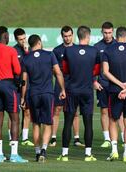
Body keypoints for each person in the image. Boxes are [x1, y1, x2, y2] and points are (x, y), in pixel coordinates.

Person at [57, 26, 100, 162]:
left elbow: (65, 70)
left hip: (72, 90)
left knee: (68, 122)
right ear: (88, 36)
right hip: (87, 90)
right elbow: (96, 70)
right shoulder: (94, 51)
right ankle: (88, 154)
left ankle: (64, 155)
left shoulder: (68, 51)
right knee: (88, 123)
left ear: (77, 36)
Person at [21, 34, 66, 162]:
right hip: (47, 93)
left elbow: (23, 81)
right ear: (39, 42)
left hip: (33, 94)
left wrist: (22, 97)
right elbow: (58, 73)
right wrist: (62, 89)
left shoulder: (26, 58)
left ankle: (36, 152)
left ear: (30, 45)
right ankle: (44, 150)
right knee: (47, 123)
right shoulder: (50, 55)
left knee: (35, 124)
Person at [0, 26, 28, 163]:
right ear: (5, 35)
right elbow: (17, 70)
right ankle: (14, 155)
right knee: (15, 118)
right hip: (8, 85)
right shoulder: (11, 50)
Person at [103, 26, 126, 162]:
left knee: (113, 120)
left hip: (114, 90)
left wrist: (120, 86)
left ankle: (114, 151)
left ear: (116, 35)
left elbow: (105, 72)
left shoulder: (108, 50)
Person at [94, 21, 126, 148]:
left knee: (120, 112)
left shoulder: (119, 45)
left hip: (117, 85)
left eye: (110, 32)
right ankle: (107, 139)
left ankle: (123, 137)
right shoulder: (96, 47)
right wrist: (94, 81)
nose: (107, 35)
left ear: (113, 32)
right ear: (102, 32)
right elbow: (93, 66)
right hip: (102, 83)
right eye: (105, 33)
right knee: (105, 111)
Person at [50, 26, 84, 147]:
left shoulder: (77, 49)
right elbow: (53, 68)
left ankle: (76, 138)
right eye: (65, 36)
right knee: (57, 109)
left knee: (75, 111)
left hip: (74, 84)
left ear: (72, 35)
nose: (68, 38)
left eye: (69, 35)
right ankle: (53, 138)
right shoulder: (57, 50)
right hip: (60, 84)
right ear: (62, 36)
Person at [12, 28, 34, 146]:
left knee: (27, 111)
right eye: (21, 39)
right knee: (14, 112)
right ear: (16, 39)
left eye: (24, 38)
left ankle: (25, 138)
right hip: (15, 86)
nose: (23, 41)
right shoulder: (13, 51)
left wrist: (27, 52)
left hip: (28, 86)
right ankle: (12, 137)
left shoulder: (30, 50)